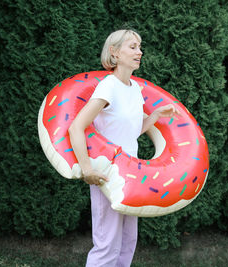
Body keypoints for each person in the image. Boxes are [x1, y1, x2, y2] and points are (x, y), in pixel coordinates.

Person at [68, 29, 180, 267]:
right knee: (107, 244)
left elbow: (130, 132)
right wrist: (86, 169)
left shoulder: (134, 89)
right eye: (132, 47)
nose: (139, 52)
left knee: (128, 241)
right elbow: (76, 127)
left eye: (139, 47)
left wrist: (156, 115)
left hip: (131, 176)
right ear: (115, 52)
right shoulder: (108, 87)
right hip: (107, 175)